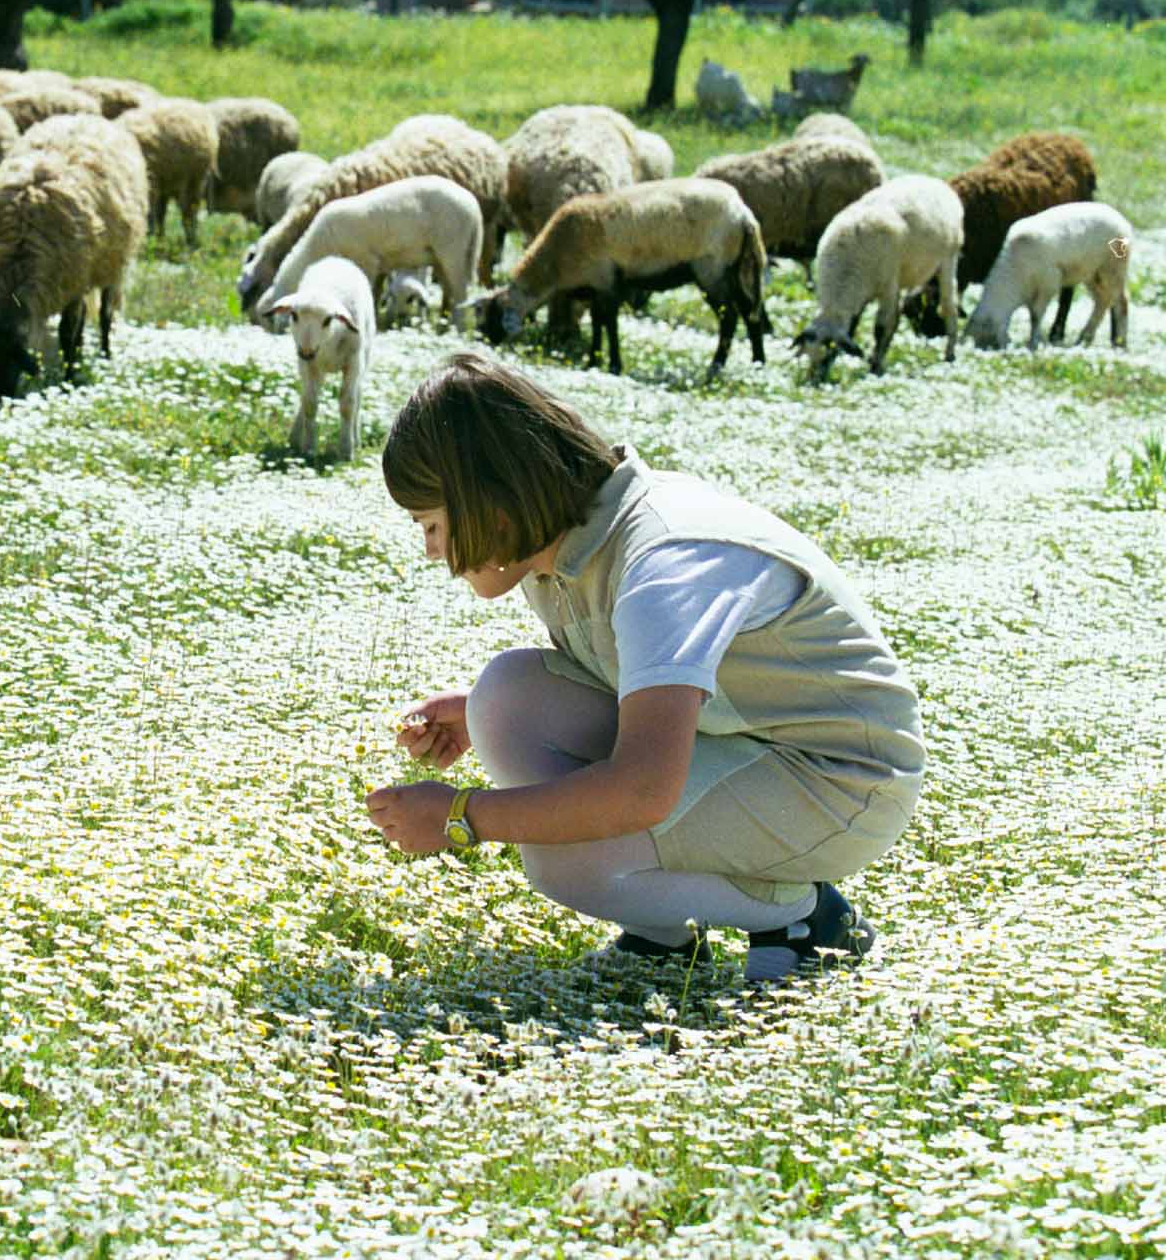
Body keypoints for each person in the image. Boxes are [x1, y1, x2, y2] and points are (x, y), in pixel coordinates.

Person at [364, 353, 923, 982]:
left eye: (432, 524)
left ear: (492, 508)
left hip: (845, 783)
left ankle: (806, 917)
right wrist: (474, 716)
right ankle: (663, 936)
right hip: (754, 743)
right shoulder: (563, 542)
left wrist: (460, 816)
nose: (431, 549)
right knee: (504, 699)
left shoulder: (662, 559)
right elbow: (646, 680)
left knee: (564, 863)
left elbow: (642, 789)